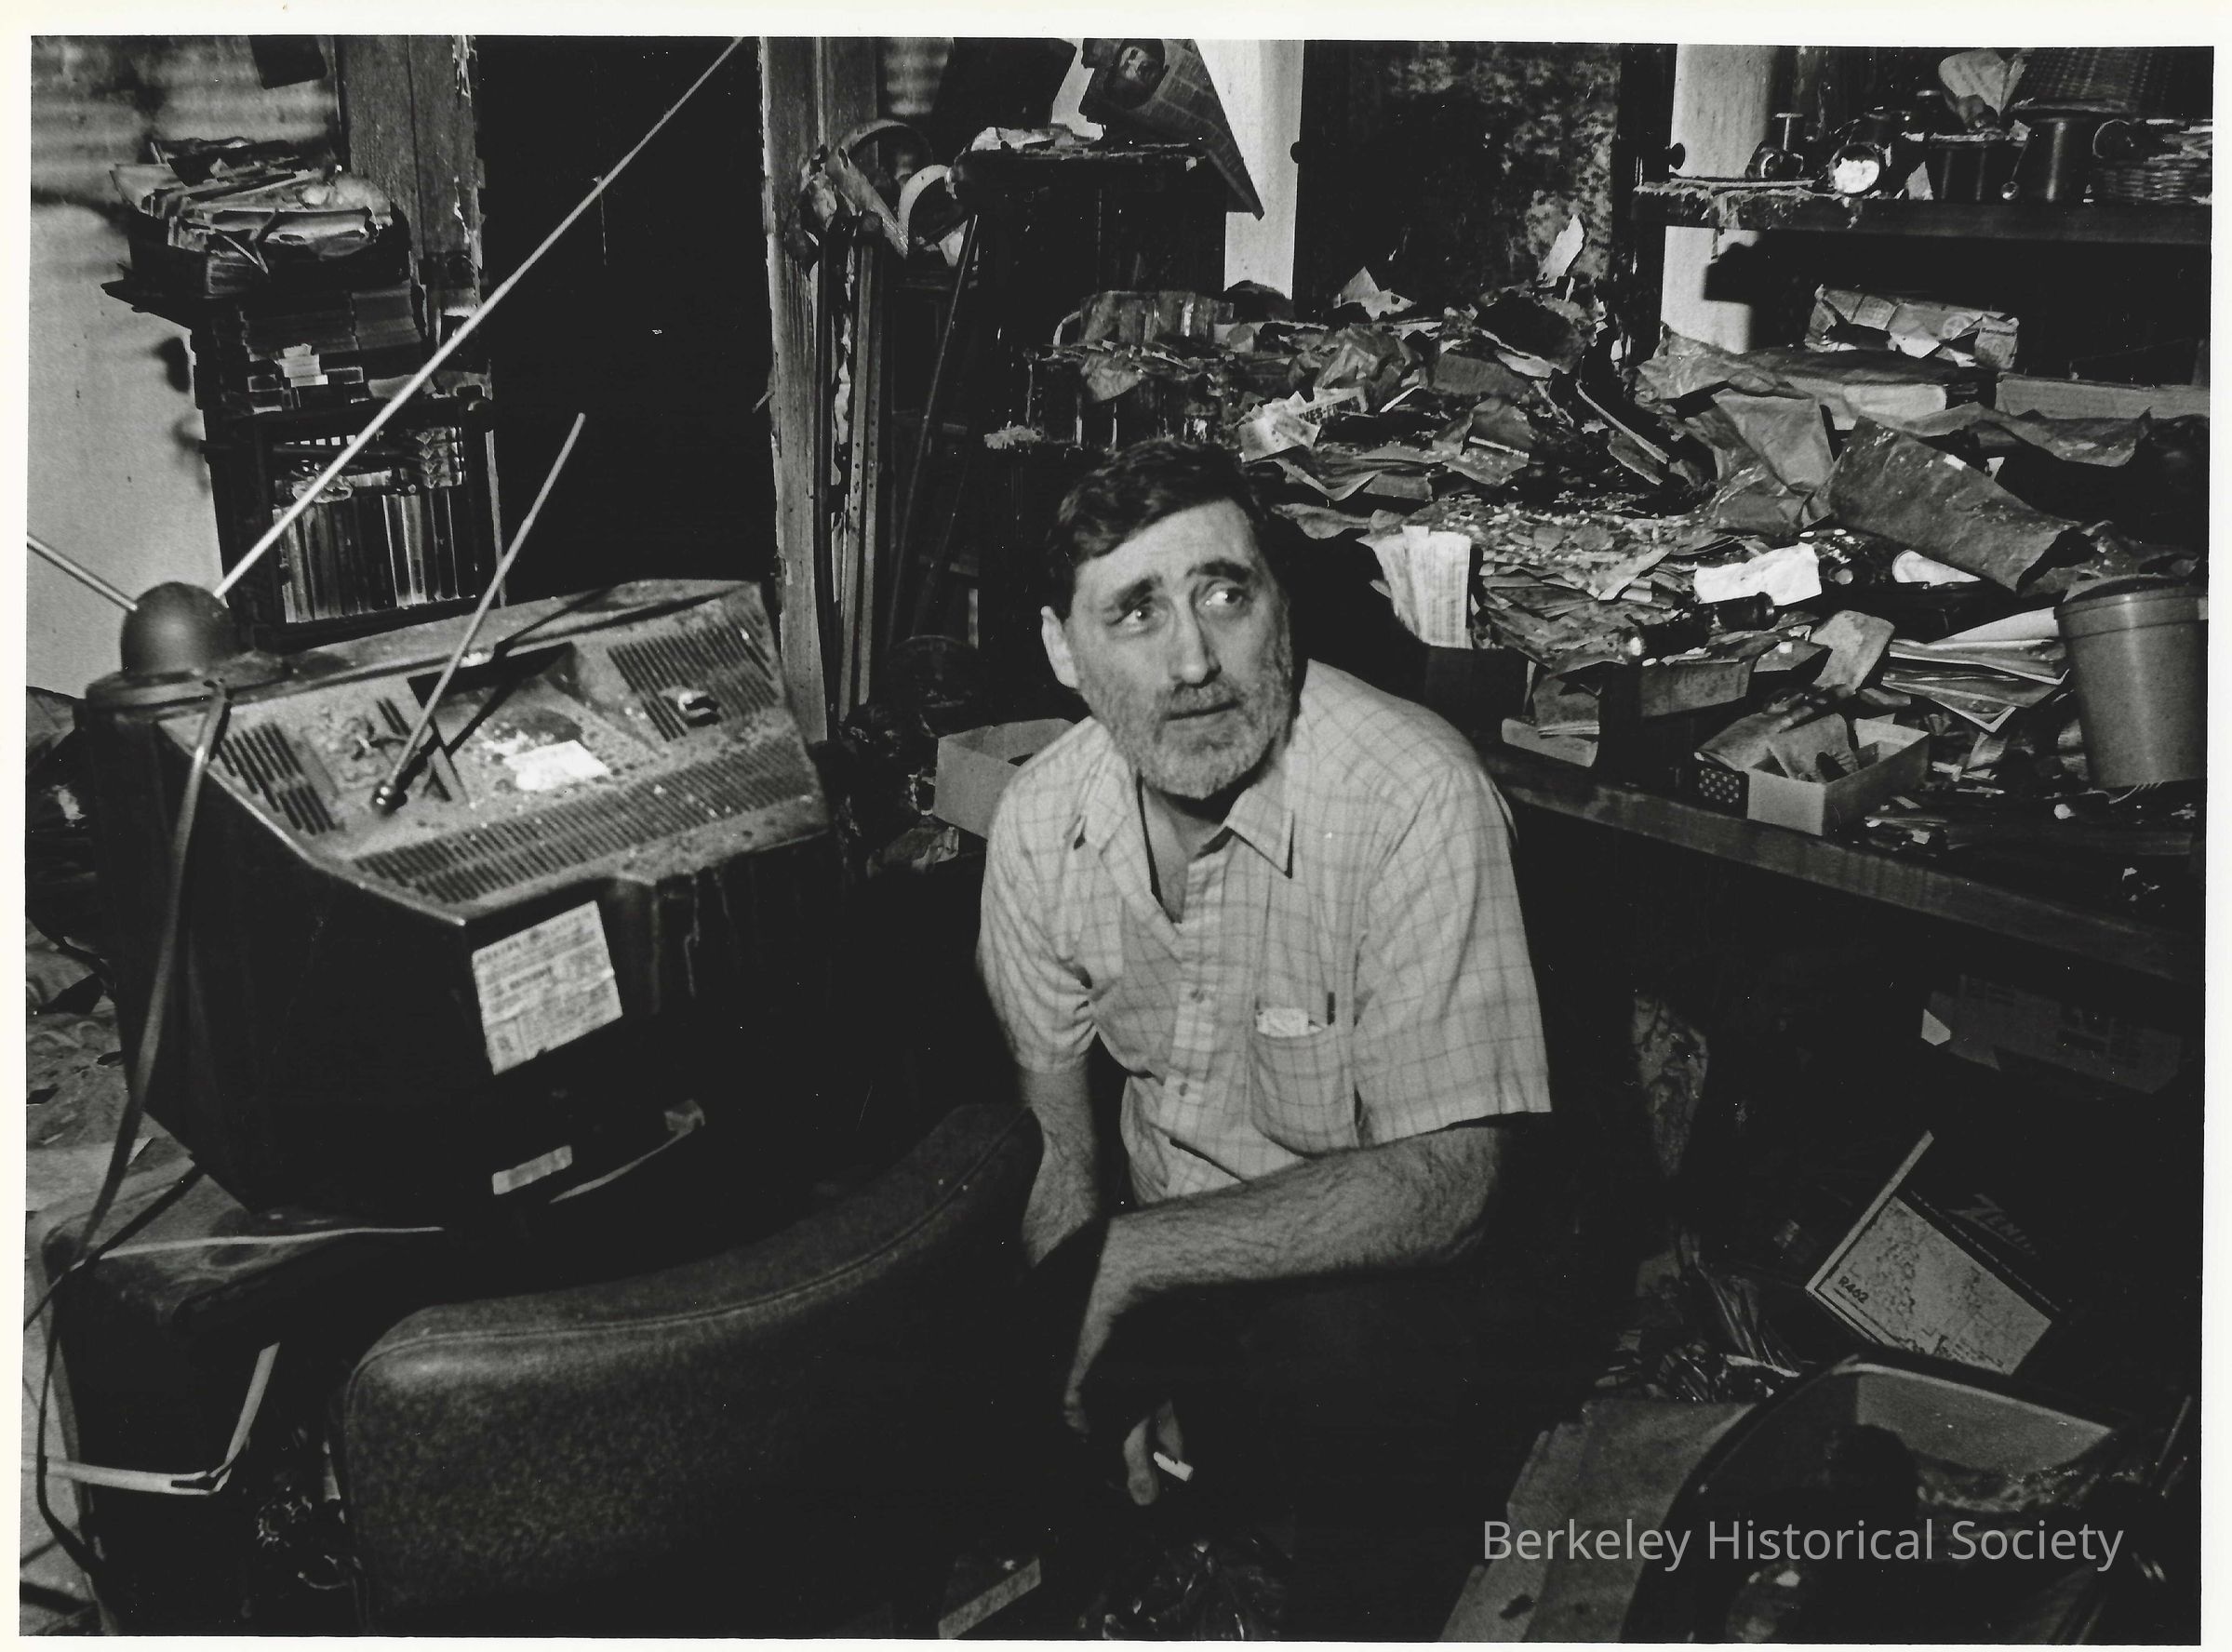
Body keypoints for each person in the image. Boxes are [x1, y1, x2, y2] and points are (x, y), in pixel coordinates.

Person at [977, 437, 1553, 1635]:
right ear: (1063, 652)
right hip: (1169, 1256)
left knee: (1352, 1364)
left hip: (1371, 1278)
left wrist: (1125, 1267)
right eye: (1135, 612)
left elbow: (1454, 1187)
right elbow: (1059, 1145)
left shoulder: (1413, 795)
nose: (1194, 661)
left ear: (1281, 608)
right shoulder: (1039, 822)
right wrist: (1090, 1345)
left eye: (1225, 596)